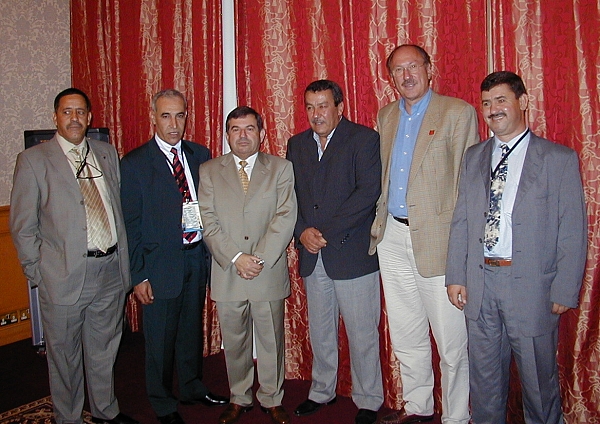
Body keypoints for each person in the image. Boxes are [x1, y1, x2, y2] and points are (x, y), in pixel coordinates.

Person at [446, 71, 587, 424]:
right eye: (486, 103)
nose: (493, 109)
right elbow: (462, 219)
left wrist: (564, 289)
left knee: (539, 385)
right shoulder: (474, 156)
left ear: (522, 102)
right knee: (485, 384)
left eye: (501, 100)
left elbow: (572, 229)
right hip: (481, 284)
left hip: (531, 287)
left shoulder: (557, 158)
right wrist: (456, 275)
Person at [9, 88, 137, 424]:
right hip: (62, 276)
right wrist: (39, 273)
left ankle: (105, 411)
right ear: (55, 117)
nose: (74, 118)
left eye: (80, 111)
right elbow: (23, 226)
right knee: (64, 356)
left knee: (104, 349)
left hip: (110, 270)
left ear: (90, 117)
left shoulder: (106, 153)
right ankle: (68, 418)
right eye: (67, 112)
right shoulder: (34, 160)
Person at [370, 45, 479, 424]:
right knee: (406, 332)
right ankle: (418, 405)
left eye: (413, 66)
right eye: (398, 70)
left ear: (429, 69)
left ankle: (456, 417)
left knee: (451, 341)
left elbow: (468, 185)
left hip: (440, 242)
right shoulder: (386, 116)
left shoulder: (457, 112)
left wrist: (462, 251)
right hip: (392, 239)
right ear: (391, 78)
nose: (407, 75)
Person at [120, 89, 228, 424]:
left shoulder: (199, 155)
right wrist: (138, 275)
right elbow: (130, 224)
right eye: (166, 116)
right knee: (160, 340)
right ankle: (163, 403)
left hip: (195, 257)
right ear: (153, 117)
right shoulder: (135, 163)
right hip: (158, 266)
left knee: (190, 331)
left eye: (180, 115)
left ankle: (192, 387)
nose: (173, 124)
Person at [286, 79, 383, 424]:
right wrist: (301, 231)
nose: (316, 114)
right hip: (313, 255)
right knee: (321, 331)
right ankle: (321, 391)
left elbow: (367, 194)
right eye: (310, 107)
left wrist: (323, 232)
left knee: (362, 333)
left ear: (339, 107)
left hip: (351, 253)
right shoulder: (296, 144)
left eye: (323, 106)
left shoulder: (364, 139)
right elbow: (290, 196)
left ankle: (369, 399)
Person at [198, 106, 297, 424]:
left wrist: (259, 258)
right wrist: (237, 258)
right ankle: (239, 396)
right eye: (235, 129)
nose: (242, 135)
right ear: (227, 135)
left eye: (249, 128)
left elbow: (286, 216)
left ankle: (272, 397)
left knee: (271, 340)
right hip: (228, 271)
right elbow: (207, 220)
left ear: (262, 134)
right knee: (235, 342)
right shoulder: (209, 170)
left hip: (266, 271)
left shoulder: (281, 168)